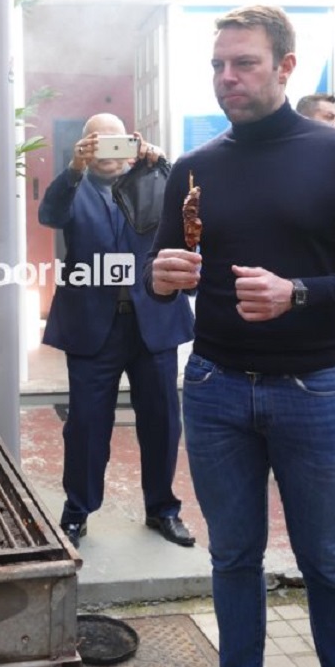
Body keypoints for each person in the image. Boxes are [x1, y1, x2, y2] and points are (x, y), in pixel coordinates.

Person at [146, 5, 335, 667]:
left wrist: (302, 291)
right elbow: (164, 271)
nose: (226, 78)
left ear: (286, 67)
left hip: (311, 390)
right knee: (233, 559)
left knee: (327, 565)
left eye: (244, 63)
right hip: (213, 388)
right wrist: (163, 275)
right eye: (217, 66)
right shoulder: (196, 168)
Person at [39, 112, 195, 550]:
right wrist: (72, 169)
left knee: (163, 422)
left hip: (153, 323)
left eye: (117, 141)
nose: (108, 150)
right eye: (97, 141)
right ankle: (77, 512)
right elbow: (50, 215)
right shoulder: (74, 189)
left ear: (132, 143)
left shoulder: (151, 181)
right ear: (85, 147)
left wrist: (161, 163)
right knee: (87, 425)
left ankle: (162, 509)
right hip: (93, 327)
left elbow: (187, 210)